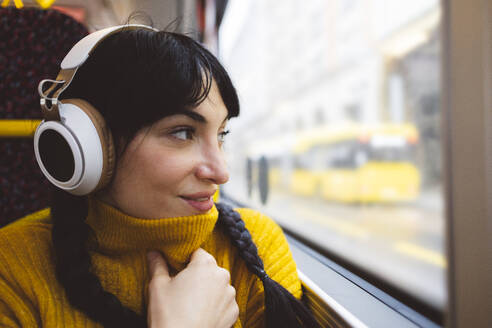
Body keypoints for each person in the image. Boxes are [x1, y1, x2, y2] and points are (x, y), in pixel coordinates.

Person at [0, 24, 319, 328]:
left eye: (221, 134)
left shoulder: (259, 246)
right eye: (182, 132)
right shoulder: (12, 269)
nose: (221, 173)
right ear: (91, 145)